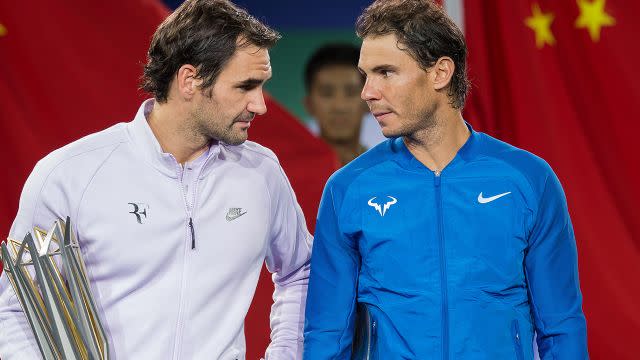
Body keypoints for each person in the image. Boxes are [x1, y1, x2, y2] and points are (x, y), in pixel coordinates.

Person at [0, 0, 311, 359]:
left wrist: (286, 353)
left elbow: (300, 272)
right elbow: (16, 309)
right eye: (245, 86)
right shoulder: (69, 174)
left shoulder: (262, 172)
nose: (260, 105)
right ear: (189, 80)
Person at [303, 0, 588, 359]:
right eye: (366, 75)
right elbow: (326, 334)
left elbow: (562, 327)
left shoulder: (529, 179)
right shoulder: (347, 188)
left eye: (386, 72)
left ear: (440, 72)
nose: (368, 92)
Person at [303, 43, 369, 166]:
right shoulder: (286, 174)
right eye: (326, 93)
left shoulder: (386, 174)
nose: (340, 106)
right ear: (309, 104)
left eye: (351, 92)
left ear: (369, 102)